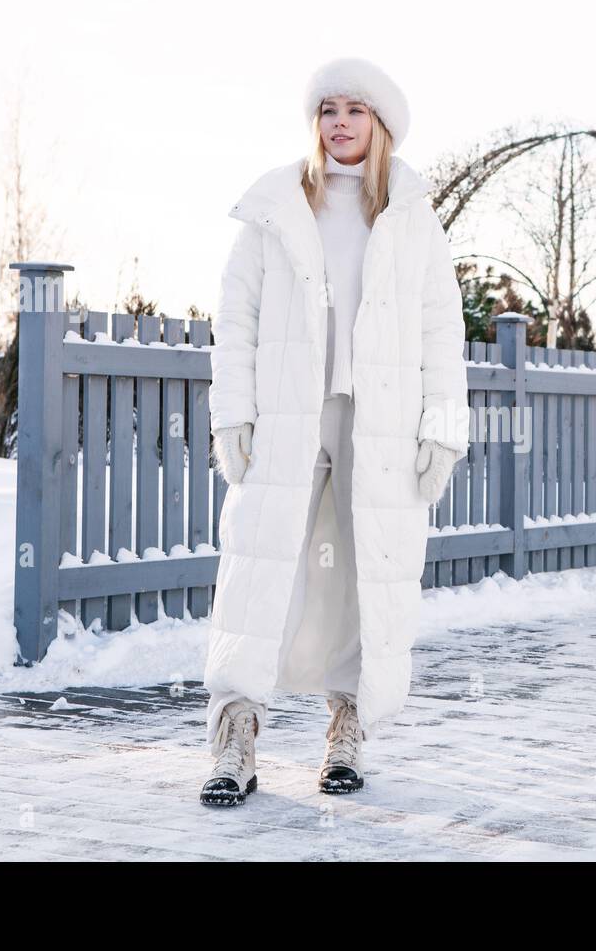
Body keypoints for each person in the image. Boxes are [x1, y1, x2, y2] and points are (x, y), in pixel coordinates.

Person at [199, 57, 470, 805]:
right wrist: (233, 413)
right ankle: (235, 734)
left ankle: (348, 727)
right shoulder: (278, 206)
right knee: (259, 570)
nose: (340, 121)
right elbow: (236, 318)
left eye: (355, 109)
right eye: (327, 110)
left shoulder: (411, 216)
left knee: (365, 573)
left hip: (376, 420)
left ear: (379, 125)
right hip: (290, 414)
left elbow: (441, 328)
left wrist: (442, 428)